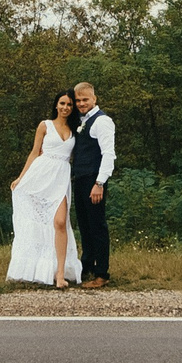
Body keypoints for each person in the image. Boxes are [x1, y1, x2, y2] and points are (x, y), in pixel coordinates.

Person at [5, 90, 82, 288]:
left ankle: (60, 274)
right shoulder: (45, 125)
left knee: (60, 222)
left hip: (61, 178)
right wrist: (21, 178)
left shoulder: (76, 129)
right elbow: (34, 153)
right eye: (62, 103)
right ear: (56, 105)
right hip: (41, 175)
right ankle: (33, 267)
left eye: (69, 105)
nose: (65, 107)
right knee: (39, 221)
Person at [67, 81, 115, 287]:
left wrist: (99, 183)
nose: (81, 103)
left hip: (94, 179)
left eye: (85, 99)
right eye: (77, 100)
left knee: (97, 226)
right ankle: (87, 265)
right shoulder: (79, 120)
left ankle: (102, 273)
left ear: (94, 99)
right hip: (80, 177)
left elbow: (108, 154)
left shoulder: (102, 121)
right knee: (84, 226)